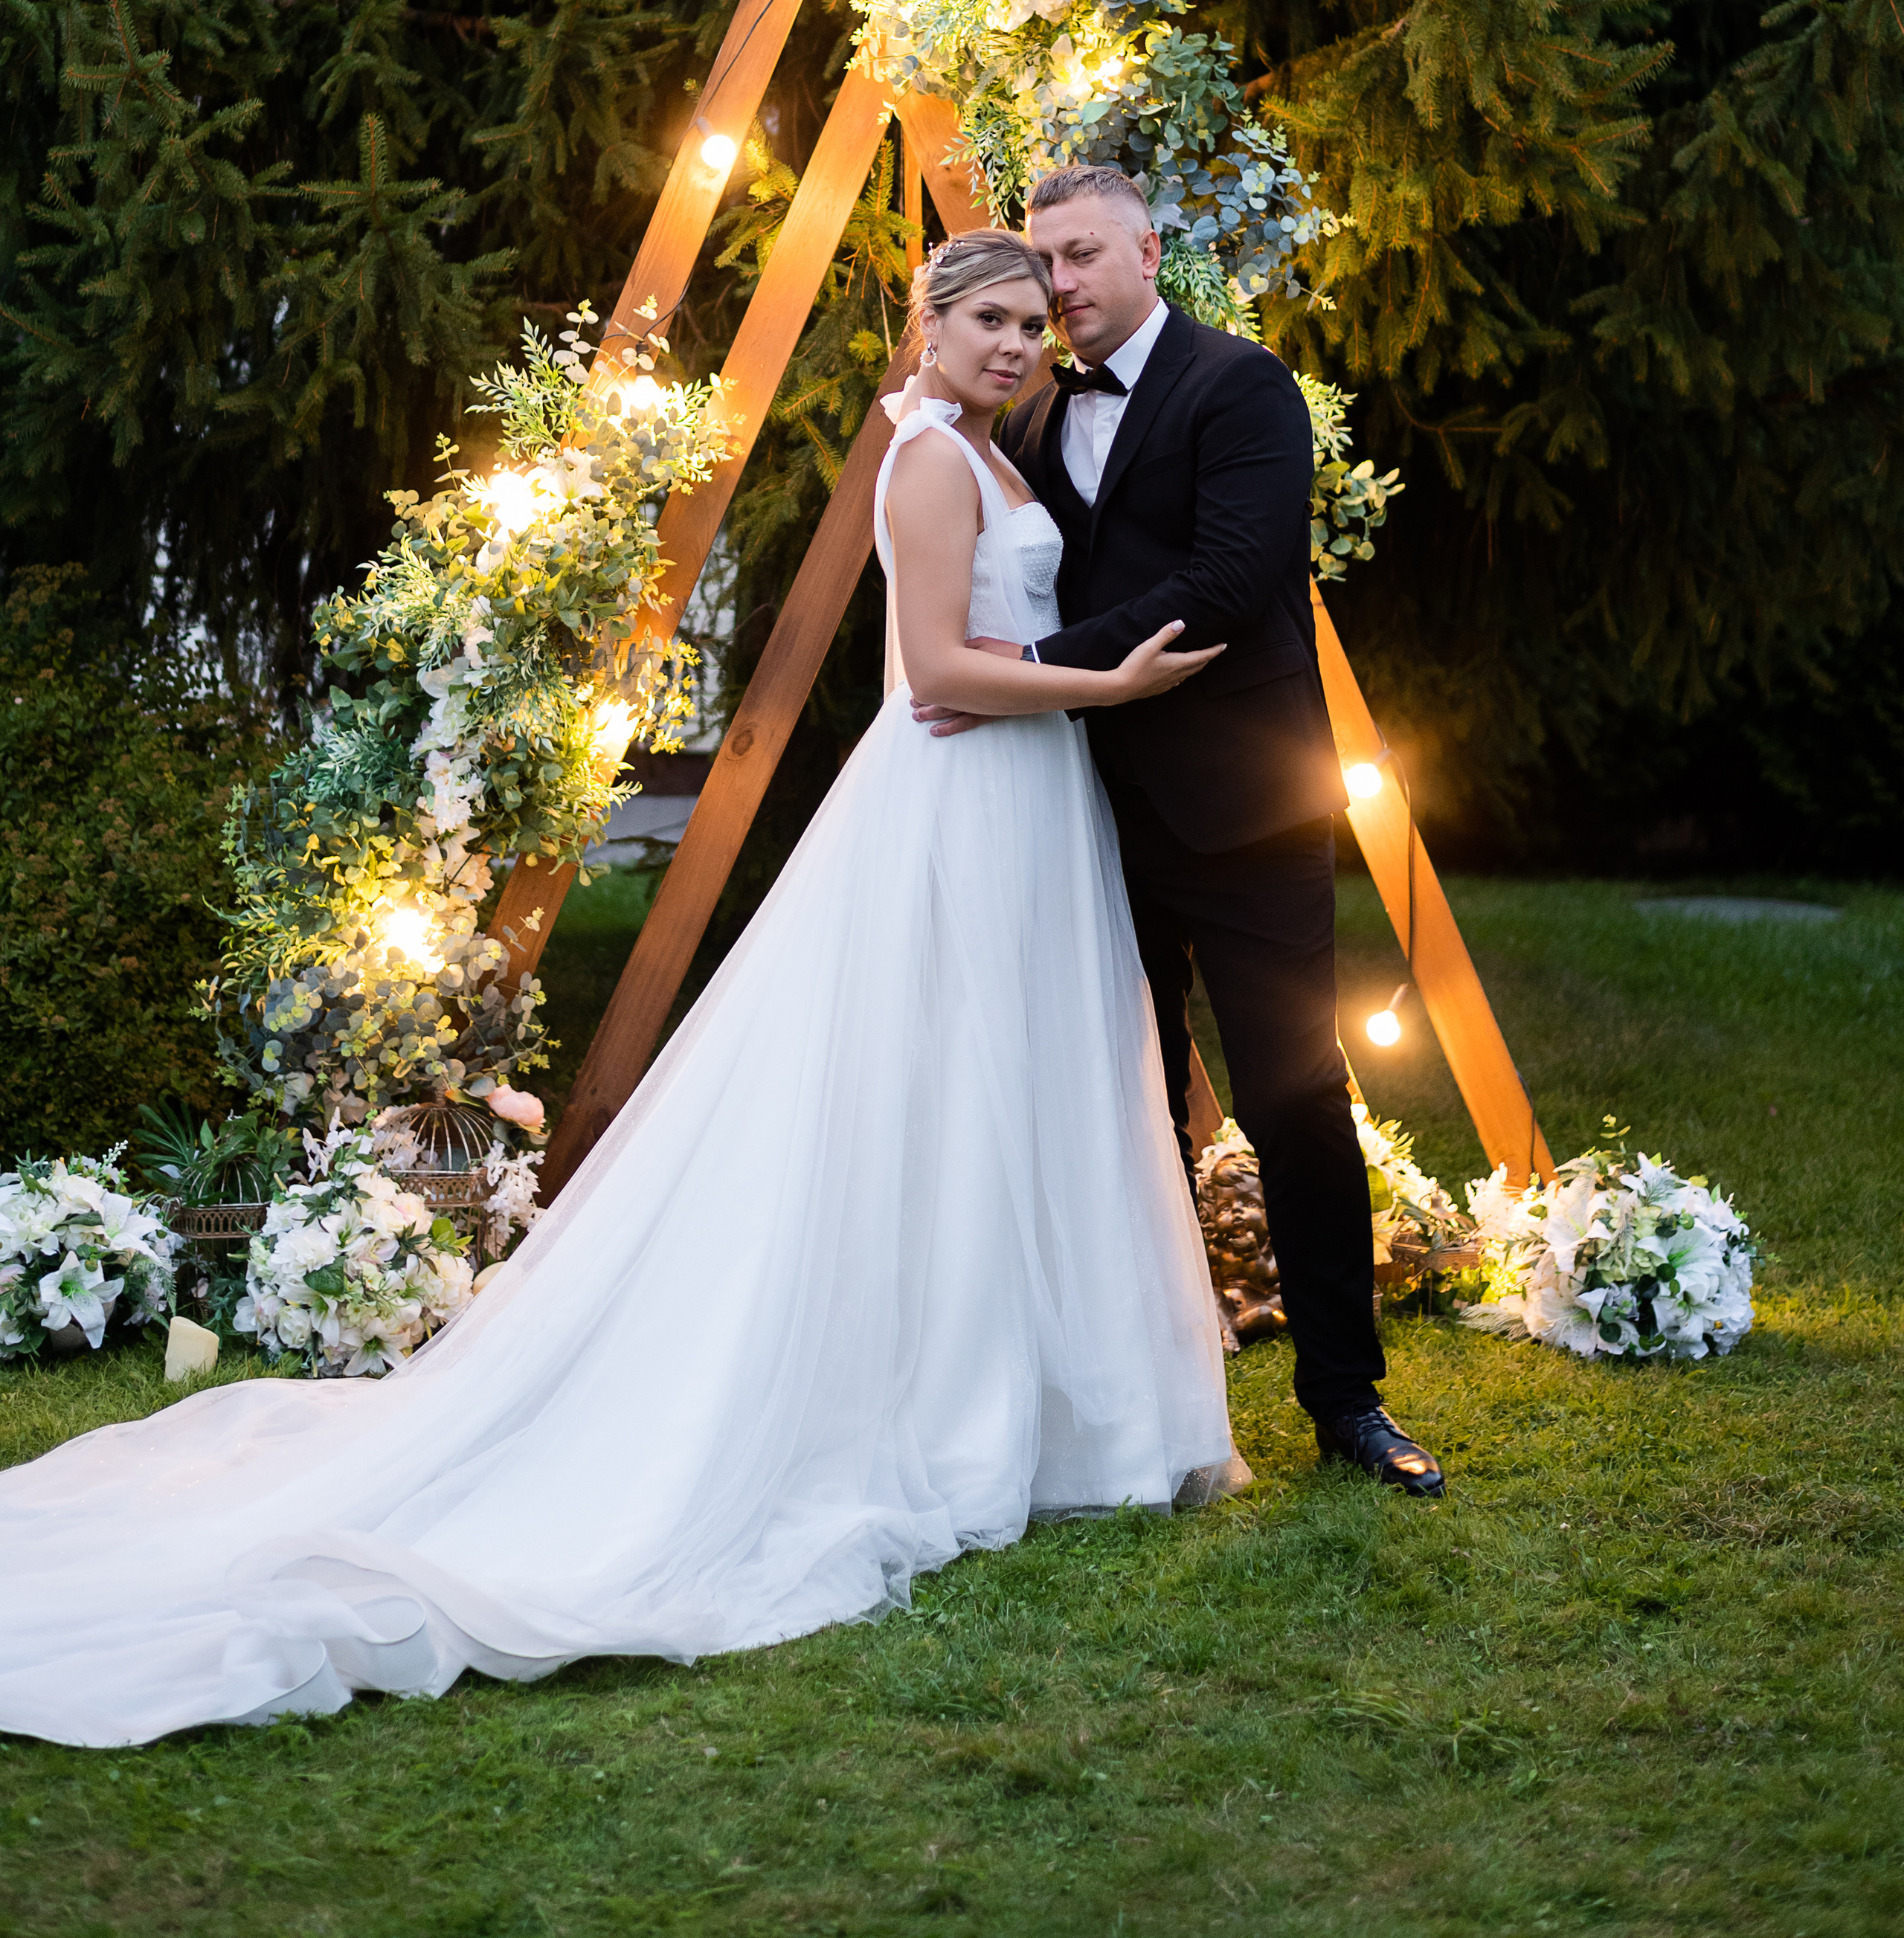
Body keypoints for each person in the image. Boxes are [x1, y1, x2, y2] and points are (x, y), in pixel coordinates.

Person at [0, 231, 1246, 1752]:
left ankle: (1045, 1402)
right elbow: (930, 677)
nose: (1013, 345)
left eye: (1030, 325)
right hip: (965, 792)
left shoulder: (984, 452)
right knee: (945, 1079)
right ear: (923, 324)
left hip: (1027, 802)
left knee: (1023, 1080)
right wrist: (1104, 689)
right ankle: (959, 1412)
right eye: (984, 318)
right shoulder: (923, 464)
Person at [916, 167, 1444, 1498]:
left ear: (1150, 250)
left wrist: (1032, 659)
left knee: (1293, 1095)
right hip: (1084, 815)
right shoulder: (1022, 424)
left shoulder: (1242, 386)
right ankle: (1126, 1402)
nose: (1062, 287)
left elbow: (1226, 580)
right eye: (1045, 266)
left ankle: (1347, 1401)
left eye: (1084, 255)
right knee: (1115, 1101)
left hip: (1249, 806)